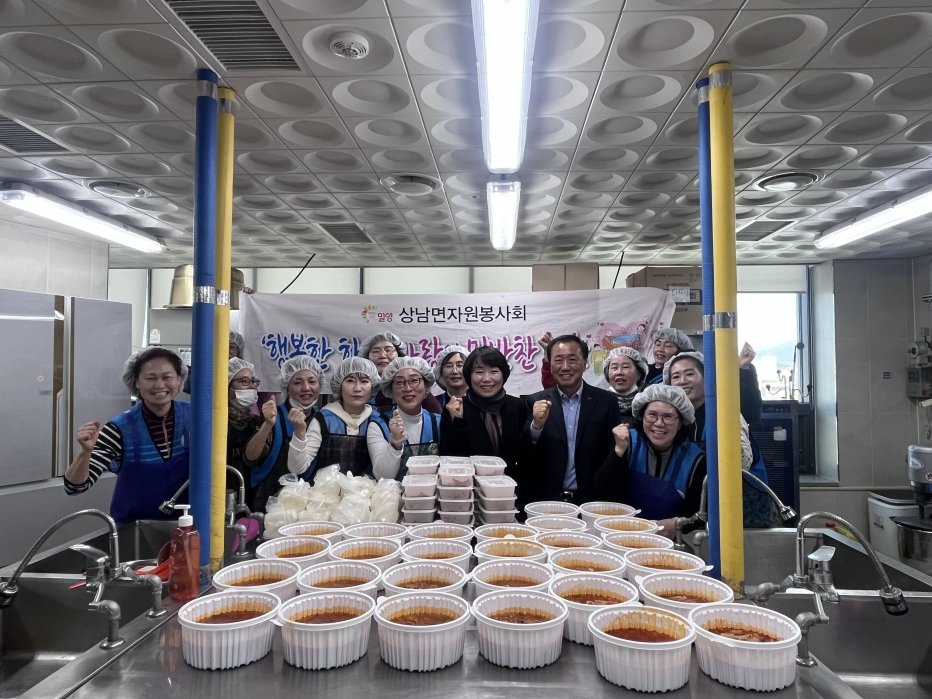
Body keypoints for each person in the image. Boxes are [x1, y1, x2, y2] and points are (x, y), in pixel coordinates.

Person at [64, 347, 190, 522]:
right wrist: (86, 452)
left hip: (188, 524)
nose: (159, 385)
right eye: (150, 378)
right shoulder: (119, 429)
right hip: (135, 528)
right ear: (136, 381)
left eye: (167, 377)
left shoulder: (196, 420)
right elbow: (74, 487)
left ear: (179, 380)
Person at [664, 350, 776, 527]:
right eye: (675, 376)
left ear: (707, 378)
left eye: (690, 374)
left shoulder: (724, 412)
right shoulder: (678, 419)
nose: (682, 381)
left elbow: (741, 463)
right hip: (700, 505)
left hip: (741, 503)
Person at [520, 335, 621, 506]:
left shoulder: (606, 401)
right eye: (558, 360)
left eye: (572, 359)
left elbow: (611, 453)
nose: (565, 367)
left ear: (585, 362)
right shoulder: (534, 401)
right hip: (546, 502)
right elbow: (523, 455)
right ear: (550, 364)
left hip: (591, 503)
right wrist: (536, 426)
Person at [594, 384, 705, 537]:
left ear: (680, 422)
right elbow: (602, 490)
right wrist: (618, 452)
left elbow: (699, 514)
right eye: (652, 415)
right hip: (620, 534)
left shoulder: (696, 460)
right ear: (641, 416)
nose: (659, 423)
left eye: (668, 417)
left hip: (669, 543)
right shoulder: (627, 442)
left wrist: (678, 524)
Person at [243, 356, 327, 511]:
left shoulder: (324, 419)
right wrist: (267, 425)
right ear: (287, 387)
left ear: (320, 385)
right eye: (297, 382)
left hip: (309, 508)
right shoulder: (273, 416)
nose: (306, 388)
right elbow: (250, 457)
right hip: (267, 504)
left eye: (312, 381)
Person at [290, 357, 393, 478]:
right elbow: (297, 468)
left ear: (373, 387)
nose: (357, 388)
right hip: (325, 489)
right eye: (350, 381)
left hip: (368, 489)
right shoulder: (323, 419)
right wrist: (299, 433)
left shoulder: (379, 421)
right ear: (339, 386)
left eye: (364, 381)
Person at [439, 346, 527, 479]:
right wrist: (458, 422)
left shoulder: (518, 406)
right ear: (468, 376)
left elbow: (526, 453)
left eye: (494, 371)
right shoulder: (456, 408)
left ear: (504, 374)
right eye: (479, 372)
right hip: (470, 486)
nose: (486, 378)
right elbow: (450, 458)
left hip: (511, 487)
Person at [378, 356, 440, 480]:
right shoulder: (379, 425)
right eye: (399, 382)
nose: (407, 388)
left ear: (426, 385)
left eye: (414, 380)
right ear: (391, 389)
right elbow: (382, 476)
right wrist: (395, 443)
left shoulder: (439, 423)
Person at [359, 331, 442, 417]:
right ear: (367, 357)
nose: (382, 355)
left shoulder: (415, 387)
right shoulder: (359, 388)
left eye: (388, 350)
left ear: (399, 355)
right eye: (376, 351)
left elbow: (437, 417)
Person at [603, 346, 648, 421]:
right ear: (607, 374)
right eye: (614, 367)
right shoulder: (600, 402)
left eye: (625, 367)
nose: (619, 372)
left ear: (638, 374)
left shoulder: (648, 402)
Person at [433, 344, 469, 409]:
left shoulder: (481, 402)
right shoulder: (433, 405)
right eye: (448, 366)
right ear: (440, 372)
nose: (454, 371)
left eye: (460, 365)